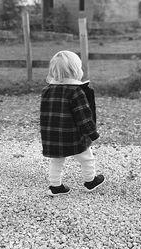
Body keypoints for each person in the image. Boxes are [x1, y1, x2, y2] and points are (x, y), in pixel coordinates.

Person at [40, 50, 105, 196]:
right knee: (87, 158)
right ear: (76, 70)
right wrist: (92, 133)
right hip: (73, 136)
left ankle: (55, 186)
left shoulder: (47, 90)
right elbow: (83, 117)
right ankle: (90, 181)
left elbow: (45, 115)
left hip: (53, 136)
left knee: (56, 161)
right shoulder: (76, 91)